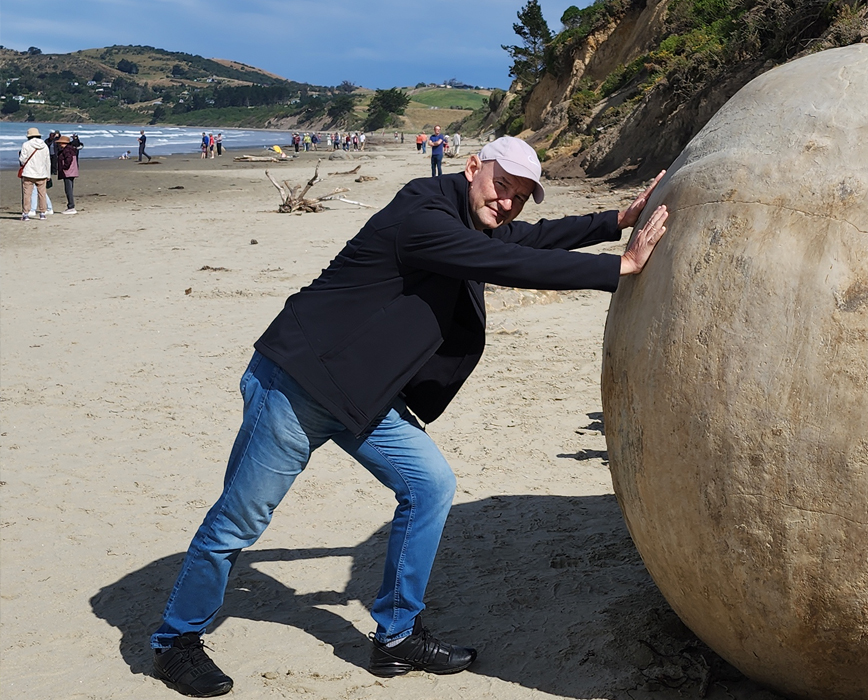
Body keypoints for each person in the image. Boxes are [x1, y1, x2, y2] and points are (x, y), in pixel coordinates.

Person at [148, 135, 669, 697]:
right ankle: (175, 641)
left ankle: (396, 635)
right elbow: (508, 260)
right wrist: (620, 267)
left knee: (430, 485)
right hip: (298, 384)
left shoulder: (468, 217)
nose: (507, 204)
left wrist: (617, 218)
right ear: (473, 168)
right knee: (239, 522)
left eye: (519, 196)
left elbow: (529, 237)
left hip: (365, 396)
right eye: (502, 187)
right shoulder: (422, 214)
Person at [18, 127, 52, 221]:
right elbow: (47, 161)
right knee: (42, 194)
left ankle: (26, 214)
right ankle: (42, 213)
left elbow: (22, 159)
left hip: (28, 173)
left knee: (27, 194)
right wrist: (48, 174)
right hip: (42, 173)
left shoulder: (26, 144)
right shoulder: (44, 145)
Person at [56, 135, 79, 215]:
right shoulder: (71, 149)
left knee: (68, 190)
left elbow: (68, 160)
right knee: (70, 189)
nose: (59, 144)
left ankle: (71, 207)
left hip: (68, 172)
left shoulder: (67, 150)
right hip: (72, 172)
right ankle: (71, 206)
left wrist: (64, 167)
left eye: (60, 143)